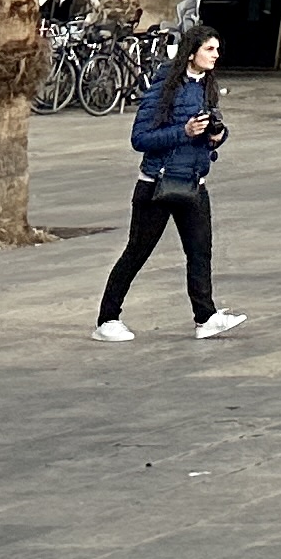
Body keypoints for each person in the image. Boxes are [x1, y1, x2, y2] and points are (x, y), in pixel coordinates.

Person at [97, 28, 245, 341]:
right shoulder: (164, 87)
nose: (216, 55)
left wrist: (218, 136)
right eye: (209, 49)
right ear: (191, 53)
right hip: (157, 185)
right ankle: (107, 319)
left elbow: (211, 131)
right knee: (137, 252)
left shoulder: (206, 87)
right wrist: (184, 132)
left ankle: (205, 317)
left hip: (193, 183)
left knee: (200, 252)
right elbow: (140, 139)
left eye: (217, 49)